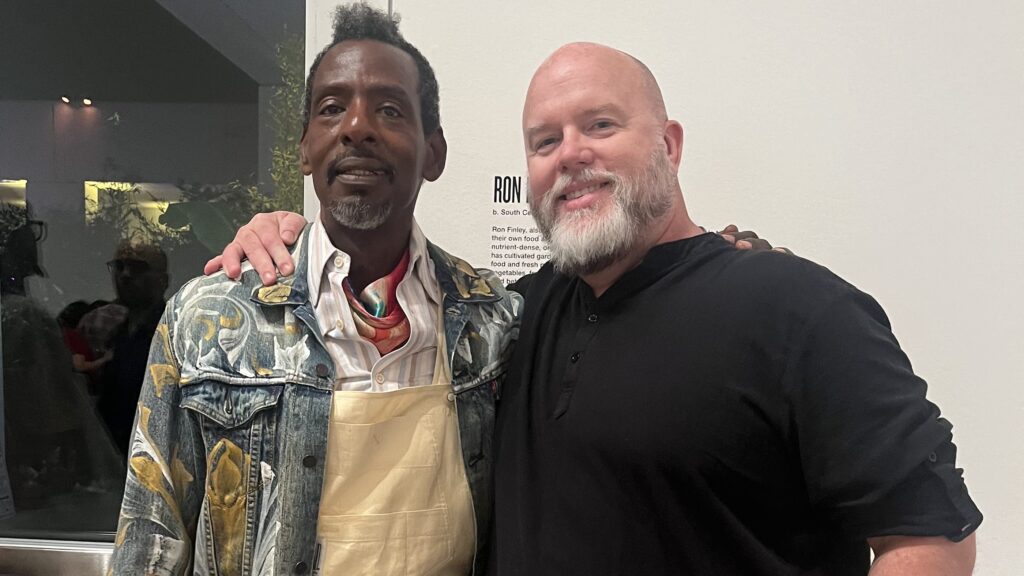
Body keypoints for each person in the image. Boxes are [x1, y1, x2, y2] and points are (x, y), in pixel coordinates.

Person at [219, 44, 981, 575]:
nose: (570, 154)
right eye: (545, 140)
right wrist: (290, 237)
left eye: (601, 125)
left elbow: (933, 535)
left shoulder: (799, 309)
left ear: (670, 143)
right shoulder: (505, 319)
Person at [110, 4, 520, 574]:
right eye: (332, 108)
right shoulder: (202, 321)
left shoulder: (495, 323)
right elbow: (150, 543)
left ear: (434, 152)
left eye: (390, 110)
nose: (357, 126)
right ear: (304, 149)